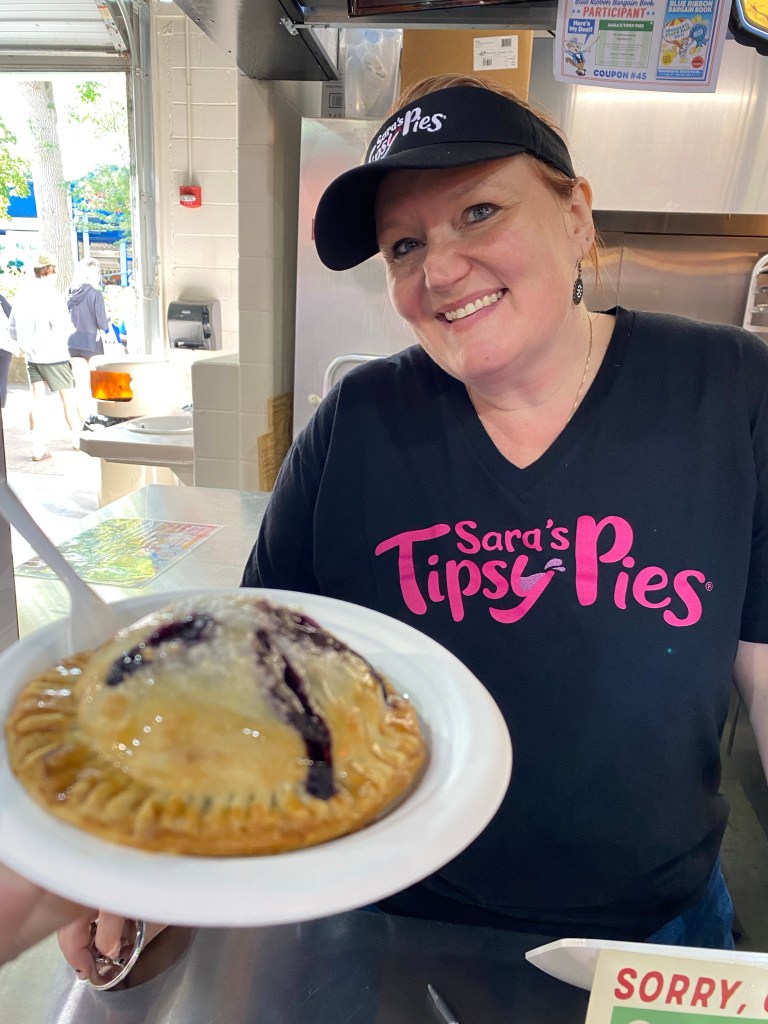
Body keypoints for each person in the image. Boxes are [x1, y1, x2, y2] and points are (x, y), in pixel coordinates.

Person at [58, 75, 768, 971]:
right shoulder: (358, 421)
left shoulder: (727, 389)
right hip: (397, 924)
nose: (439, 270)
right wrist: (154, 845)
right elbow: (253, 669)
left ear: (576, 215)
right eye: (405, 244)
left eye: (479, 212)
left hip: (653, 931)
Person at [9, 255, 85, 460]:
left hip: (32, 357)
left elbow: (12, 329)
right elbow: (62, 326)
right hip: (55, 354)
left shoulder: (22, 295)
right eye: (55, 271)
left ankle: (37, 448)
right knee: (68, 398)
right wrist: (70, 331)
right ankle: (77, 439)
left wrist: (28, 345)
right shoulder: (53, 296)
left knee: (36, 400)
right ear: (49, 270)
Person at [67, 257, 110, 410]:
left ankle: (82, 420)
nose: (99, 276)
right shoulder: (95, 294)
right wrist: (108, 320)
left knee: (81, 387)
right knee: (99, 385)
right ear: (90, 274)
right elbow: (102, 323)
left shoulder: (68, 293)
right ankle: (97, 418)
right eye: (97, 272)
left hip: (73, 343)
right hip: (92, 343)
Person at [0, 291, 16, 409]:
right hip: (5, 345)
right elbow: (13, 319)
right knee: (2, 379)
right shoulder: (2, 299)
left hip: (5, 345)